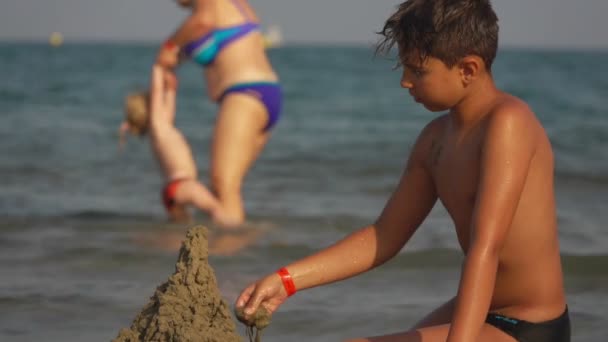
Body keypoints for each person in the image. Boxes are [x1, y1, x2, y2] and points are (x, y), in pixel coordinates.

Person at [235, 1, 570, 341]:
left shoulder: (508, 123)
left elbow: (486, 247)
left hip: (530, 327)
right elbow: (385, 236)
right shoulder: (434, 141)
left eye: (418, 71)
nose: (405, 82)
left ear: (468, 69)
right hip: (481, 311)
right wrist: (287, 280)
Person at [151, 0, 282, 227]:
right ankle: (237, 249)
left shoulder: (209, 5)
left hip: (245, 93)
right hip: (265, 95)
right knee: (226, 190)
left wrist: (169, 46)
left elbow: (203, 21)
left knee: (224, 186)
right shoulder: (231, 5)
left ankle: (230, 255)